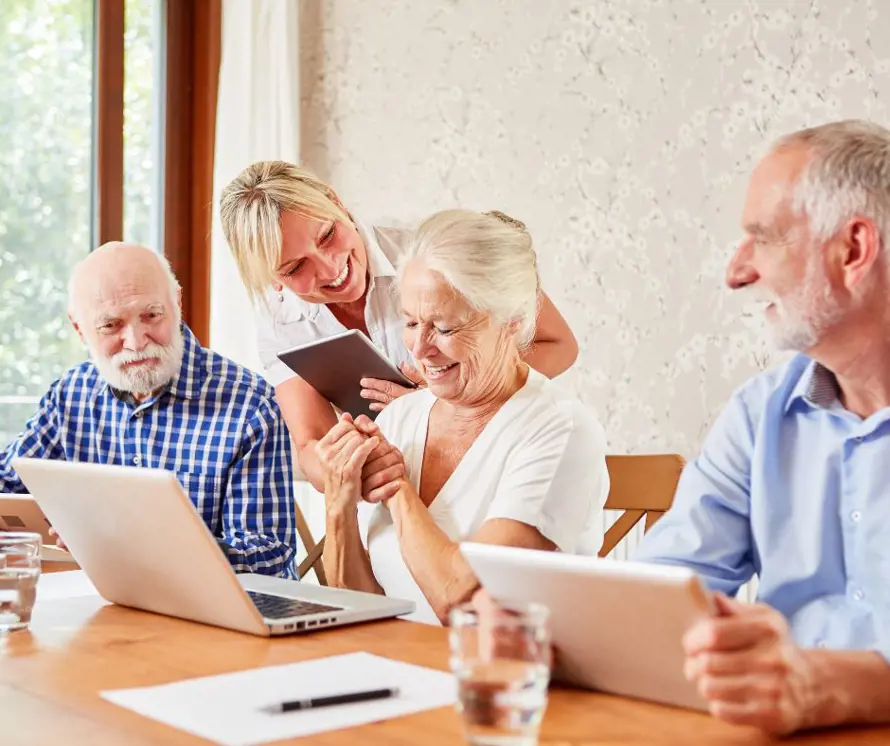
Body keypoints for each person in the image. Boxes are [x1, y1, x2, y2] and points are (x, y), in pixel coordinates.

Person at [635, 120, 890, 733]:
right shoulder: (759, 413)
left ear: (853, 250)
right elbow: (656, 599)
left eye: (764, 239)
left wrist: (834, 686)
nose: (736, 272)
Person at [315, 209, 609, 625]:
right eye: (411, 322)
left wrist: (397, 489)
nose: (418, 349)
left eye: (445, 329)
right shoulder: (398, 418)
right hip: (402, 673)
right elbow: (360, 611)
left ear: (514, 323)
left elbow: (468, 605)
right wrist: (338, 497)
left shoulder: (560, 428)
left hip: (514, 679)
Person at [219, 162, 580, 491]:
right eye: (295, 268)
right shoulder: (280, 318)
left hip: (496, 466)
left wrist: (445, 404)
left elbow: (559, 344)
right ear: (274, 280)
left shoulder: (425, 253)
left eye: (327, 235)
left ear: (337, 202)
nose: (330, 270)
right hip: (395, 492)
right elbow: (312, 445)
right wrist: (339, 465)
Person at [0, 243, 299, 578]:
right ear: (80, 330)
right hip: (107, 606)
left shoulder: (250, 404)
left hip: (221, 615)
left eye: (152, 315)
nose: (136, 341)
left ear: (178, 304)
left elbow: (267, 555)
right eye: (111, 325)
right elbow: (7, 484)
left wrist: (130, 547)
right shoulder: (71, 395)